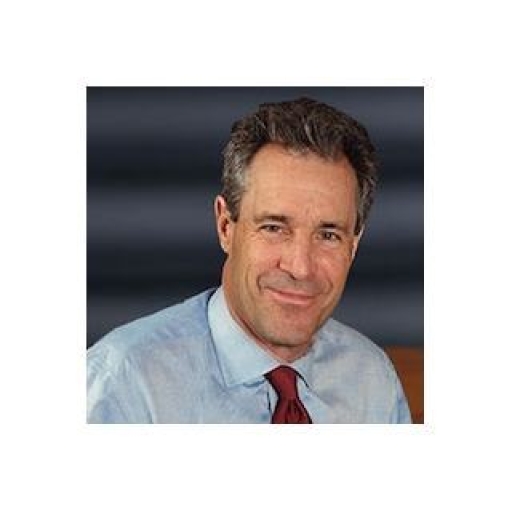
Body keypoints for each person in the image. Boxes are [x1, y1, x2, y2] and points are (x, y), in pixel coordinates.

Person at [87, 97, 411, 423]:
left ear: (354, 245)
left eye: (328, 235)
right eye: (274, 228)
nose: (300, 268)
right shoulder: (124, 384)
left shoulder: (372, 380)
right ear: (225, 227)